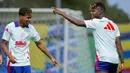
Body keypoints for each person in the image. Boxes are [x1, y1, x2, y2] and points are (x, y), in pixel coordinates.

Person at [53, 2, 124, 73]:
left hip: (103, 59)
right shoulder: (114, 25)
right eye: (91, 11)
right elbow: (119, 45)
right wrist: (122, 62)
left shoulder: (96, 22)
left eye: (93, 11)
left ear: (101, 11)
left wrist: (62, 13)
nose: (91, 13)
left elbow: (77, 22)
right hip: (114, 60)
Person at [1, 7, 60, 73]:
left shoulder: (31, 29)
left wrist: (51, 57)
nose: (30, 19)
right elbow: (3, 44)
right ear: (21, 17)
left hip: (26, 64)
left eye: (30, 17)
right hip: (13, 64)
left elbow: (39, 44)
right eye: (28, 17)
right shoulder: (10, 27)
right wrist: (9, 56)